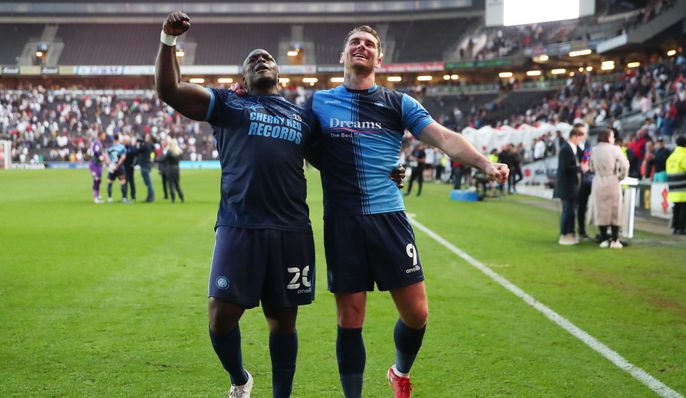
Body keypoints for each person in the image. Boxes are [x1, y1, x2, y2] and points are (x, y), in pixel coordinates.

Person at [156, 12, 405, 398]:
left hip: (291, 232)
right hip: (239, 227)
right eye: (253, 60)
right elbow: (170, 90)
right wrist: (169, 41)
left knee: (283, 323)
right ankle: (240, 379)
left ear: (280, 77)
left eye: (267, 59)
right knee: (221, 317)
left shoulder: (302, 118)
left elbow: (340, 158)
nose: (261, 60)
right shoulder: (226, 105)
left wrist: (390, 169)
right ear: (242, 80)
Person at [308, 25, 508, 398]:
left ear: (379, 59)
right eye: (354, 42)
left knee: (417, 313)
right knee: (350, 317)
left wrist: (486, 164)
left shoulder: (398, 103)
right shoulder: (318, 103)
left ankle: (399, 371)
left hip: (389, 219)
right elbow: (297, 141)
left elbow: (445, 137)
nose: (361, 47)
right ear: (343, 55)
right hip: (343, 221)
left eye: (369, 44)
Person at [589, 128, 629, 248]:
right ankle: (615, 239)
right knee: (615, 210)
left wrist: (595, 171)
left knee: (601, 210)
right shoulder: (615, 149)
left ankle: (603, 238)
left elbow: (590, 166)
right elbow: (625, 164)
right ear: (608, 137)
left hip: (598, 181)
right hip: (612, 180)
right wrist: (622, 176)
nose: (613, 139)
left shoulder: (594, 150)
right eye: (612, 136)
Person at [553, 125, 587, 245]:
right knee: (567, 210)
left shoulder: (575, 148)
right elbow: (564, 168)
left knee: (572, 211)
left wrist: (586, 158)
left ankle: (571, 233)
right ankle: (564, 234)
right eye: (580, 138)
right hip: (566, 186)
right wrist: (580, 168)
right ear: (574, 136)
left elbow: (585, 155)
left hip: (573, 186)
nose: (582, 141)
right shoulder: (565, 149)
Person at [666, 136, 686, 235]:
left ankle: (675, 228)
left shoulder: (671, 157)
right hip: (684, 186)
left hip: (673, 186)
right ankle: (682, 229)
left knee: (676, 208)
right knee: (684, 209)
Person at [106, 133, 128, 204]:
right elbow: (123, 157)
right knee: (122, 182)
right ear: (119, 139)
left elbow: (107, 157)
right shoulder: (122, 147)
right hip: (120, 167)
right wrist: (118, 165)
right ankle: (124, 198)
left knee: (110, 183)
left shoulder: (110, 148)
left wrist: (110, 164)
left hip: (112, 166)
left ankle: (109, 198)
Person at [164, 137, 185, 204]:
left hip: (170, 169)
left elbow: (165, 159)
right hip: (177, 169)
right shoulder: (179, 151)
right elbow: (181, 158)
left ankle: (173, 199)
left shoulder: (169, 152)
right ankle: (182, 197)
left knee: (171, 185)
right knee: (177, 184)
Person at [135, 134, 156, 202]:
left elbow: (138, 150)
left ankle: (150, 198)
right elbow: (153, 153)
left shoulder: (146, 145)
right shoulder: (151, 145)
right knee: (149, 182)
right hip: (148, 164)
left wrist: (138, 145)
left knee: (148, 183)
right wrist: (151, 158)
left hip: (144, 164)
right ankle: (150, 197)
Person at [88, 131, 106, 204]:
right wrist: (100, 157)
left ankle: (97, 196)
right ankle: (95, 197)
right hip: (94, 164)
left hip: (98, 164)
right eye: (103, 135)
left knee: (99, 180)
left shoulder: (100, 143)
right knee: (96, 180)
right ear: (100, 135)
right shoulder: (97, 143)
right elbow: (95, 151)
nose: (104, 137)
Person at [123, 134, 138, 203]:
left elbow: (135, 154)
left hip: (129, 167)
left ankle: (133, 196)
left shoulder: (131, 148)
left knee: (131, 182)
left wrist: (134, 164)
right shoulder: (123, 148)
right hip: (124, 167)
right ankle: (124, 196)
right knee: (124, 182)